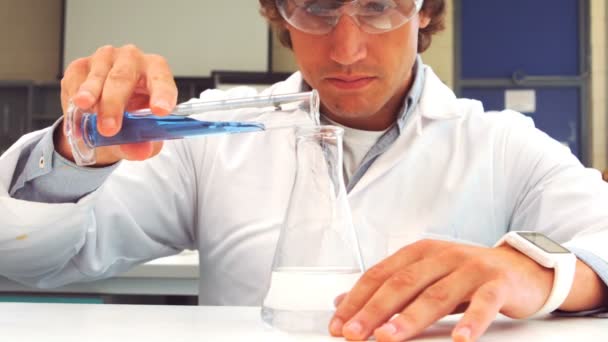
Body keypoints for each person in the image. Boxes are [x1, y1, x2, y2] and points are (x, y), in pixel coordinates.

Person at [0, 0, 607, 341]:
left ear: (423, 12)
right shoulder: (209, 134)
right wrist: (84, 145)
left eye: (377, 7)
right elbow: (24, 261)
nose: (346, 48)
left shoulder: (499, 143)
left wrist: (539, 271)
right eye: (316, 9)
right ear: (280, 15)